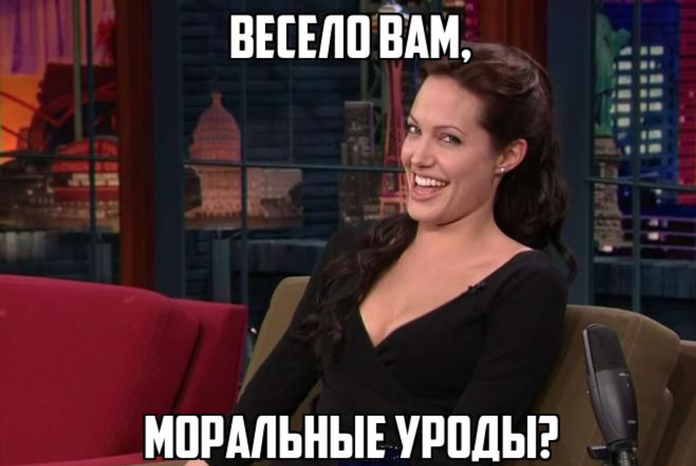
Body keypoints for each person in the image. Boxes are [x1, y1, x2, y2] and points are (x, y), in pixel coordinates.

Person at [193, 42, 576, 466]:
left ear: (508, 155)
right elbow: (274, 392)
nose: (417, 157)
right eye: (414, 130)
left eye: (449, 139)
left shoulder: (527, 284)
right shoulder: (355, 251)